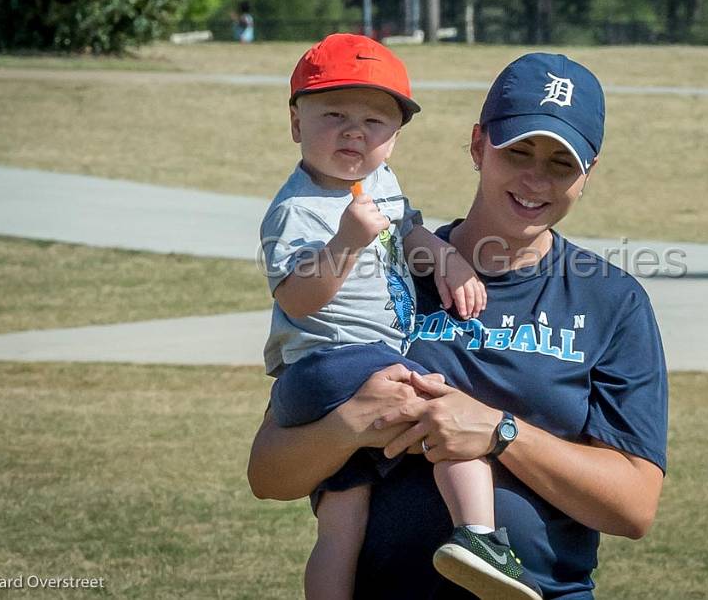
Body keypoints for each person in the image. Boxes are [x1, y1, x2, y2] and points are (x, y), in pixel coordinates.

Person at [249, 51, 669, 599]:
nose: (536, 179)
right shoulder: (382, 269)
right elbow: (268, 475)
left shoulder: (614, 301)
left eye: (561, 164)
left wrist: (499, 433)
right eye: (518, 151)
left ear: (587, 175)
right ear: (477, 146)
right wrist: (352, 422)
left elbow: (633, 507)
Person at [260, 33, 545, 600]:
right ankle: (480, 536)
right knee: (448, 415)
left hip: (345, 368)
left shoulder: (379, 183)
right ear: (297, 123)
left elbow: (407, 229)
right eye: (333, 113)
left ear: (393, 137)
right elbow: (295, 299)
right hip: (331, 364)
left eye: (374, 121)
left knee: (342, 525)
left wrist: (444, 257)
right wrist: (344, 241)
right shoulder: (298, 209)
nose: (353, 131)